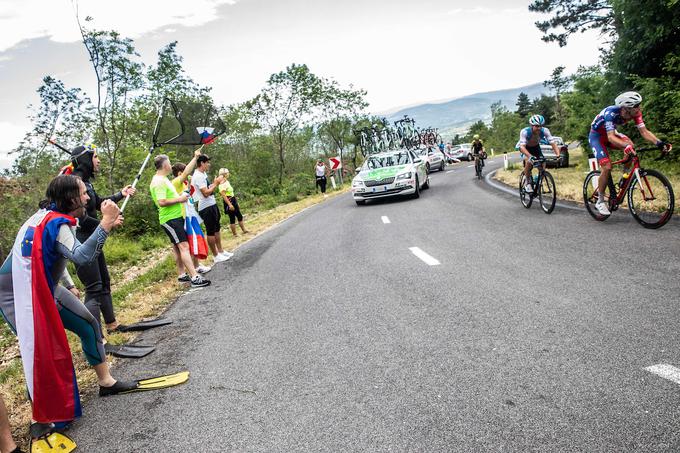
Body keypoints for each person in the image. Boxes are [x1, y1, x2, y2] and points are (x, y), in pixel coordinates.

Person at [0, 175, 139, 438]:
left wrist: (67, 282)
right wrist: (107, 223)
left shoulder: (51, 217)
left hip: (43, 284)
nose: (88, 197)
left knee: (89, 323)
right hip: (17, 293)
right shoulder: (55, 222)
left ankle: (106, 382)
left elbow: (50, 255)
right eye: (84, 193)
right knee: (37, 350)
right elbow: (83, 256)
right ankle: (41, 417)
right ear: (69, 198)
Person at [68, 144, 135, 333]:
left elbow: (98, 203)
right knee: (94, 287)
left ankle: (112, 325)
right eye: (95, 156)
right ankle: (98, 338)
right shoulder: (74, 184)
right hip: (81, 242)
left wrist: (120, 195)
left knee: (104, 282)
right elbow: (79, 219)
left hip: (94, 238)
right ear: (85, 160)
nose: (98, 161)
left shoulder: (86, 183)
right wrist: (108, 223)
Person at [588, 91, 672, 215]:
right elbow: (611, 137)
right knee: (607, 167)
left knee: (631, 146)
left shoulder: (635, 113)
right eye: (637, 105)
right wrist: (625, 146)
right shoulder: (610, 113)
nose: (640, 108)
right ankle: (600, 201)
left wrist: (659, 143)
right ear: (627, 108)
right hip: (597, 137)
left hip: (611, 134)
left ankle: (625, 176)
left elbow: (644, 132)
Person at [150, 151, 211, 288]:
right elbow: (162, 202)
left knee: (178, 248)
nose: (171, 165)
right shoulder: (159, 181)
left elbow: (184, 173)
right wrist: (180, 198)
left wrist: (195, 158)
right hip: (170, 219)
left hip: (175, 217)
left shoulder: (164, 179)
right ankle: (195, 277)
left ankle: (182, 275)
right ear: (165, 165)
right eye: (169, 163)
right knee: (184, 246)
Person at [171, 163, 211, 275]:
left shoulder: (183, 184)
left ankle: (196, 265)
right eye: (184, 172)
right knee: (189, 242)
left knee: (194, 239)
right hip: (183, 216)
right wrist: (195, 158)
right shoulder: (176, 182)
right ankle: (193, 268)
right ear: (180, 173)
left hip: (190, 214)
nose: (188, 175)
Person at [191, 155, 232, 263]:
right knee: (211, 231)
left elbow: (209, 188)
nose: (209, 165)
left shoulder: (203, 174)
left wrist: (214, 183)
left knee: (217, 228)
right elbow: (205, 193)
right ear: (202, 163)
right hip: (205, 206)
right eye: (207, 163)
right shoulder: (198, 176)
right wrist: (216, 183)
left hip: (211, 204)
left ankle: (221, 251)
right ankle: (215, 255)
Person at [518, 115, 561, 193]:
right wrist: (530, 156)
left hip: (535, 147)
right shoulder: (525, 132)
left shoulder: (545, 131)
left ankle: (538, 179)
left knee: (542, 163)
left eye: (541, 126)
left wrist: (558, 154)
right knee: (529, 161)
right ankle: (527, 182)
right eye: (537, 126)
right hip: (525, 148)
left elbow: (553, 143)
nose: (539, 128)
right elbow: (522, 147)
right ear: (531, 125)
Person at [217, 168, 250, 237]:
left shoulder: (226, 182)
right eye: (227, 173)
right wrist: (229, 204)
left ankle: (244, 230)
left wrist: (236, 202)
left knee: (239, 216)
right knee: (232, 218)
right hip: (229, 201)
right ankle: (235, 234)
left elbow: (231, 193)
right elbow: (224, 195)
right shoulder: (222, 184)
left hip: (233, 199)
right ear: (224, 174)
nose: (228, 174)